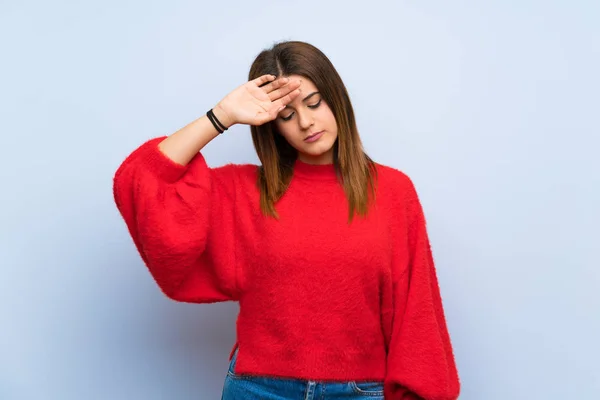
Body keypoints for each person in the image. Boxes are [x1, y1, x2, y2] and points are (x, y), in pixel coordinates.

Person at [113, 40, 460, 400]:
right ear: (272, 127)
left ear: (335, 97)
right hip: (258, 388)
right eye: (287, 115)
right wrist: (221, 116)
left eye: (314, 103)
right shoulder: (243, 191)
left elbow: (416, 312)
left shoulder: (392, 191)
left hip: (359, 391)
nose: (306, 122)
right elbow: (141, 181)